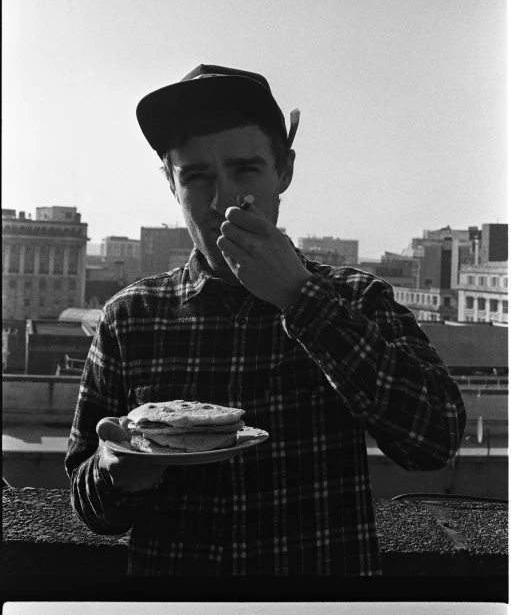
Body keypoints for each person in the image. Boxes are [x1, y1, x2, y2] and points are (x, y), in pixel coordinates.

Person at [66, 63, 466, 576]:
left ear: (285, 172)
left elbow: (435, 439)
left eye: (245, 170)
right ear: (170, 181)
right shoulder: (130, 318)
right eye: (196, 176)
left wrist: (300, 298)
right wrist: (118, 474)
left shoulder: (357, 299)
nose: (219, 202)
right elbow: (89, 508)